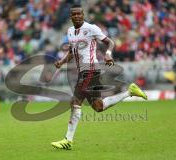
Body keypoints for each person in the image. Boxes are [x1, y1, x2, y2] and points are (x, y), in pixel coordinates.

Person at [51, 4, 147, 150]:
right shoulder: (70, 31)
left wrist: (108, 54)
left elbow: (110, 42)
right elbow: (72, 51)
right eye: (74, 14)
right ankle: (130, 91)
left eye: (79, 14)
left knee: (75, 101)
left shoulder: (91, 28)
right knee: (98, 106)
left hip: (90, 70)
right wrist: (62, 61)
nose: (77, 16)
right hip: (85, 72)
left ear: (83, 15)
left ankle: (68, 140)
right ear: (70, 17)